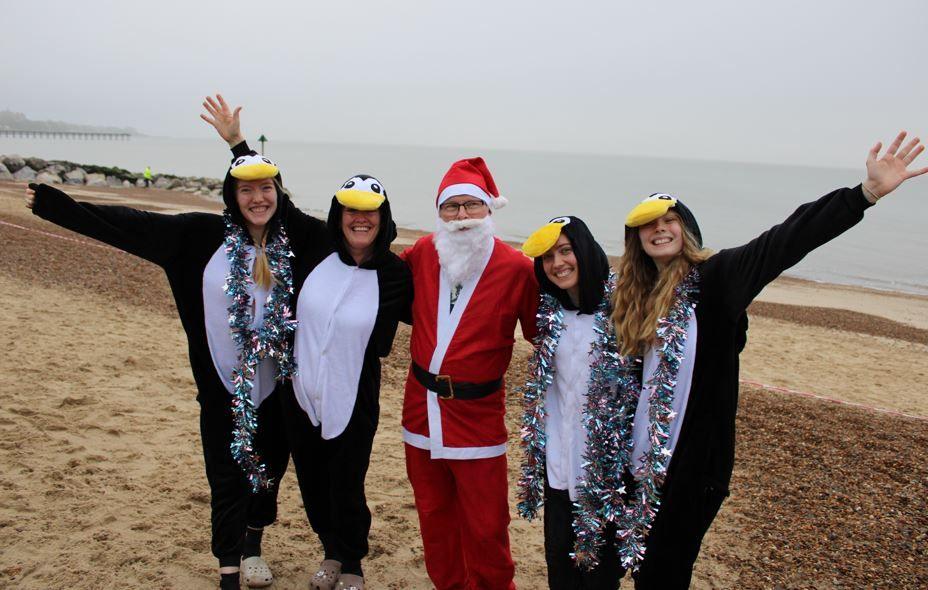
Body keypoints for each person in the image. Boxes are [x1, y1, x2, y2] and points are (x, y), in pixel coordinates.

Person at [526, 131, 925, 589]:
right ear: (635, 238)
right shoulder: (633, 300)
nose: (659, 229)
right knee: (611, 568)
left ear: (686, 229)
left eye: (670, 220)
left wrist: (865, 194)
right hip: (636, 467)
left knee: (661, 576)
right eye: (648, 224)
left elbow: (785, 240)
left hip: (690, 470)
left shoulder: (717, 280)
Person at [24, 146, 313, 589]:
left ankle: (253, 543)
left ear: (279, 193)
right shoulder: (197, 236)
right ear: (230, 197)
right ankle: (229, 569)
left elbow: (353, 240)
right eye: (246, 190)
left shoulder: (293, 242)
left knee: (270, 470)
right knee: (225, 474)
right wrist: (56, 207)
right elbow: (130, 226)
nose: (258, 198)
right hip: (222, 386)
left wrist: (240, 144)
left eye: (266, 188)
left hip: (278, 387)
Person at [202, 95, 413, 590]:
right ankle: (330, 553)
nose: (360, 220)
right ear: (338, 216)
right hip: (298, 391)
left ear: (383, 219)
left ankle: (351, 561)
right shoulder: (316, 246)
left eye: (371, 214)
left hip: (354, 393)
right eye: (351, 212)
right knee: (313, 482)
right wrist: (237, 143)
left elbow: (428, 316)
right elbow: (271, 196)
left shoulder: (395, 273)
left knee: (348, 481)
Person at [400, 157, 539, 589]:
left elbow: (548, 334)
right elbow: (374, 282)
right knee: (434, 517)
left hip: (478, 415)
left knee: (486, 524)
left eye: (471, 206)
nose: (462, 217)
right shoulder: (424, 253)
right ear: (439, 214)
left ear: (489, 210)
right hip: (420, 409)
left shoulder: (518, 269)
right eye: (451, 207)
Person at [516, 215, 623, 588]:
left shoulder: (623, 310)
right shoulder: (550, 315)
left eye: (566, 251)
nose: (558, 263)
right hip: (558, 466)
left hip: (606, 472)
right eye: (548, 257)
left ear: (585, 250)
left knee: (600, 575)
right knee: (560, 570)